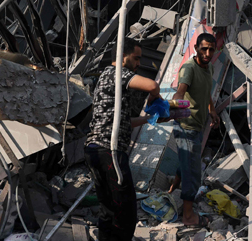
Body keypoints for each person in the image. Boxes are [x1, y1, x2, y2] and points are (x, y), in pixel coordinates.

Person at [86, 38, 163, 241]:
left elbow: (123, 122)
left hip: (95, 149)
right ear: (122, 56)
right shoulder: (116, 73)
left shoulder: (105, 77)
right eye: (136, 58)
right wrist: (156, 99)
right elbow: (152, 85)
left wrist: (148, 118)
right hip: (109, 150)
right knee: (125, 210)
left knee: (108, 208)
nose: (138, 64)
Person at [169, 33, 219, 227]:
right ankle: (188, 216)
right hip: (187, 126)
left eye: (211, 49)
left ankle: (172, 190)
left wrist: (212, 110)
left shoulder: (210, 68)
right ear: (196, 48)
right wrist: (172, 107)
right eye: (204, 48)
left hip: (198, 124)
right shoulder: (189, 68)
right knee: (192, 171)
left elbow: (206, 92)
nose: (207, 53)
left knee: (187, 162)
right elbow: (180, 91)